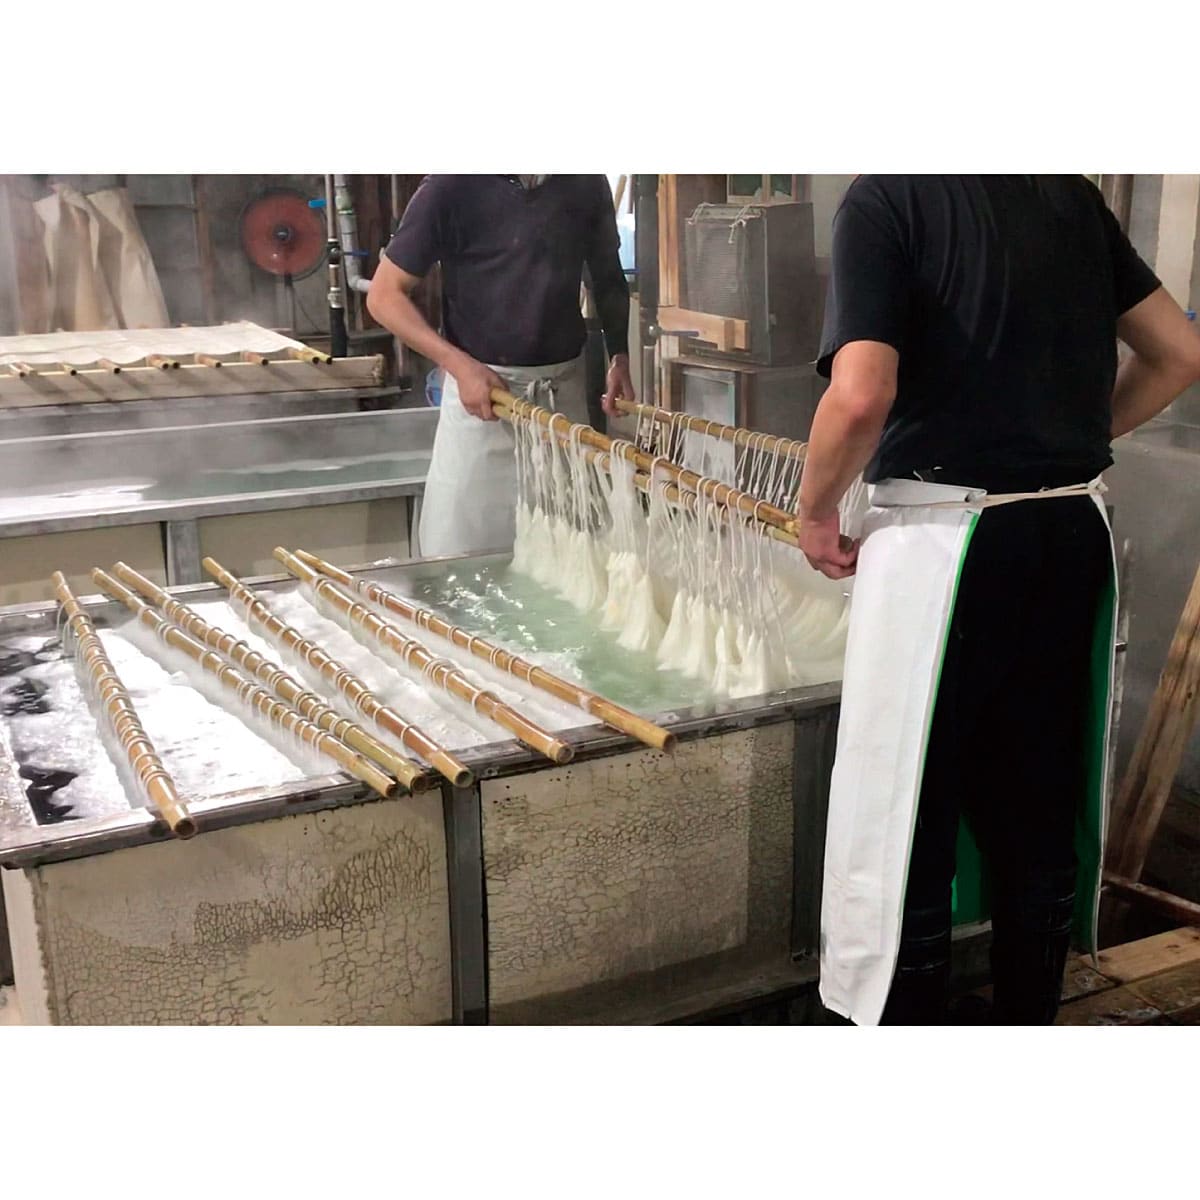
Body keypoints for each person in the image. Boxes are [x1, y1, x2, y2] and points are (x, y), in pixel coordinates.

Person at [796, 175, 1200, 1025]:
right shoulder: (1070, 197)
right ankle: (1027, 1016)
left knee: (909, 806)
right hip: (1069, 530)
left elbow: (861, 393)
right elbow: (1179, 353)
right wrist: (1070, 436)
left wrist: (815, 509)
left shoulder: (887, 200)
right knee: (1036, 800)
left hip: (947, 542)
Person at [367, 174, 635, 559]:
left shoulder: (585, 183)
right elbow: (383, 295)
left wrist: (619, 356)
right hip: (483, 403)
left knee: (572, 560)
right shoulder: (451, 187)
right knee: (460, 561)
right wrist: (459, 366)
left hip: (561, 404)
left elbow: (608, 278)